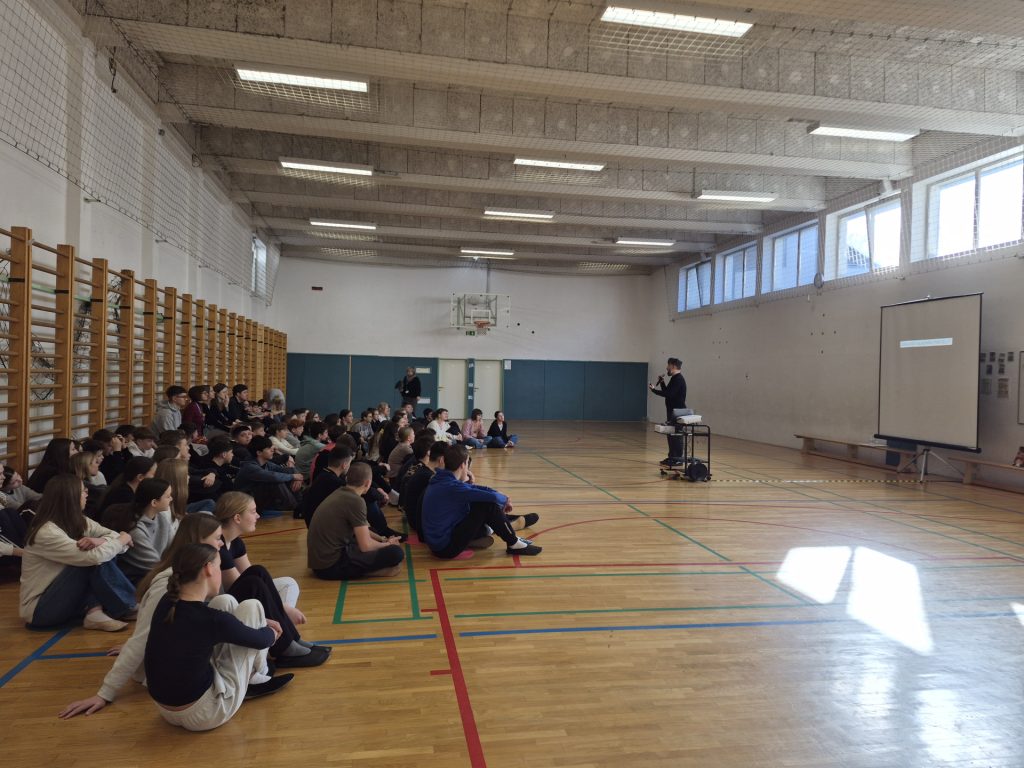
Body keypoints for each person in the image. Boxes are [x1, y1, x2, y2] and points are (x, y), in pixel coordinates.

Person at [57, 514, 225, 720]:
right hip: (166, 672)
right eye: (217, 538)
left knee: (226, 607)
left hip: (178, 658)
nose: (221, 543)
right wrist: (104, 693)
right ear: (199, 540)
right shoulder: (169, 585)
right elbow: (142, 639)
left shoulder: (193, 572)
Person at [142, 543, 293, 731]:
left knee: (225, 600)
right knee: (252, 606)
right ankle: (258, 676)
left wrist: (260, 624)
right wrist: (271, 630)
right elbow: (263, 640)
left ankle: (255, 676)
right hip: (206, 714)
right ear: (208, 569)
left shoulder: (167, 602)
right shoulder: (211, 620)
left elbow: (210, 623)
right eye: (219, 566)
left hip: (166, 710)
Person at [213, 492, 329, 668]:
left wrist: (283, 608)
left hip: (234, 597)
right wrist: (284, 608)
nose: (258, 516)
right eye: (253, 511)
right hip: (221, 605)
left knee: (259, 572)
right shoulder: (219, 545)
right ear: (237, 518)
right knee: (255, 583)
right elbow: (240, 586)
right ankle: (284, 648)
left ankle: (293, 638)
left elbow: (251, 573)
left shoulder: (235, 542)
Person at [19, 475, 137, 631]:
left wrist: (101, 540)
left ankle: (95, 611)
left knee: (102, 553)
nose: (87, 493)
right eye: (83, 490)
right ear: (70, 496)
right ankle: (126, 607)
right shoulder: (46, 532)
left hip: (69, 602)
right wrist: (123, 539)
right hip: (40, 611)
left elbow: (113, 537)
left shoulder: (79, 520)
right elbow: (100, 554)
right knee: (94, 559)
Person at [421, 445, 541, 558]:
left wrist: (499, 494)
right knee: (487, 505)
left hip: (438, 542)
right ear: (463, 465)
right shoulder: (452, 487)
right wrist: (505, 499)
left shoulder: (441, 479)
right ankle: (513, 543)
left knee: (480, 502)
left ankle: (487, 532)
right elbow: (492, 498)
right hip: (445, 548)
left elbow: (475, 489)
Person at [307, 463, 405, 580]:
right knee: (396, 553)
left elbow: (362, 531)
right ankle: (366, 571)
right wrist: (388, 545)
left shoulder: (341, 492)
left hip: (321, 561)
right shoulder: (356, 501)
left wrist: (383, 539)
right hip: (330, 566)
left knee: (372, 532)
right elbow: (366, 546)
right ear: (368, 483)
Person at [101, 477, 175, 583]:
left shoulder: (161, 518)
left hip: (156, 573)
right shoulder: (136, 531)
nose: (171, 499)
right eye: (168, 496)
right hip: (138, 580)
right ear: (154, 502)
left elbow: (173, 547)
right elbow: (154, 565)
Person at [234, 436, 302, 513]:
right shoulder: (250, 467)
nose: (272, 450)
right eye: (269, 448)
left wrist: (297, 476)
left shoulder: (266, 463)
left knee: (287, 475)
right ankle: (295, 508)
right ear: (259, 452)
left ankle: (300, 504)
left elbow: (287, 471)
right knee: (275, 481)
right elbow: (273, 477)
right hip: (246, 503)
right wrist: (293, 476)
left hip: (259, 498)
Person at [297, 445, 353, 527]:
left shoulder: (323, 475)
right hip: (324, 527)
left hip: (313, 524)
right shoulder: (336, 483)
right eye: (349, 463)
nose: (349, 466)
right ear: (344, 465)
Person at [401, 439, 447, 536]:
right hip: (419, 523)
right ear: (442, 460)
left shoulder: (424, 470)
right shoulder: (428, 476)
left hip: (415, 519)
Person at [649, 357, 688, 467]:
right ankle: (672, 457)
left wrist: (654, 390)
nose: (666, 368)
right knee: (671, 435)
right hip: (673, 411)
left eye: (668, 366)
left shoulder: (678, 379)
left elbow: (669, 394)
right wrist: (662, 382)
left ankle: (678, 459)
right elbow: (668, 392)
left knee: (676, 436)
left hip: (678, 412)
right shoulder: (674, 378)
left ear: (673, 366)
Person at [188, 435, 237, 505]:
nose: (233, 455)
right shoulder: (211, 472)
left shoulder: (222, 465)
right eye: (231, 452)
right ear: (224, 454)